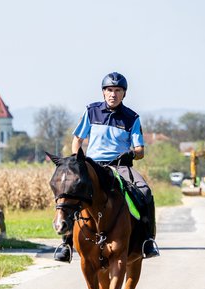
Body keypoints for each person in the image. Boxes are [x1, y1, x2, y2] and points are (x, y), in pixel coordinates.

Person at [55, 71, 160, 262]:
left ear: (124, 93)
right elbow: (77, 139)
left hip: (120, 166)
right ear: (103, 92)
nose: (113, 94)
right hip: (93, 166)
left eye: (118, 90)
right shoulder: (91, 111)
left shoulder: (132, 118)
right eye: (109, 90)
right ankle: (66, 242)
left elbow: (140, 150)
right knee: (70, 192)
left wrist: (132, 153)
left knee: (144, 191)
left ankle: (147, 240)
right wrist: (77, 162)